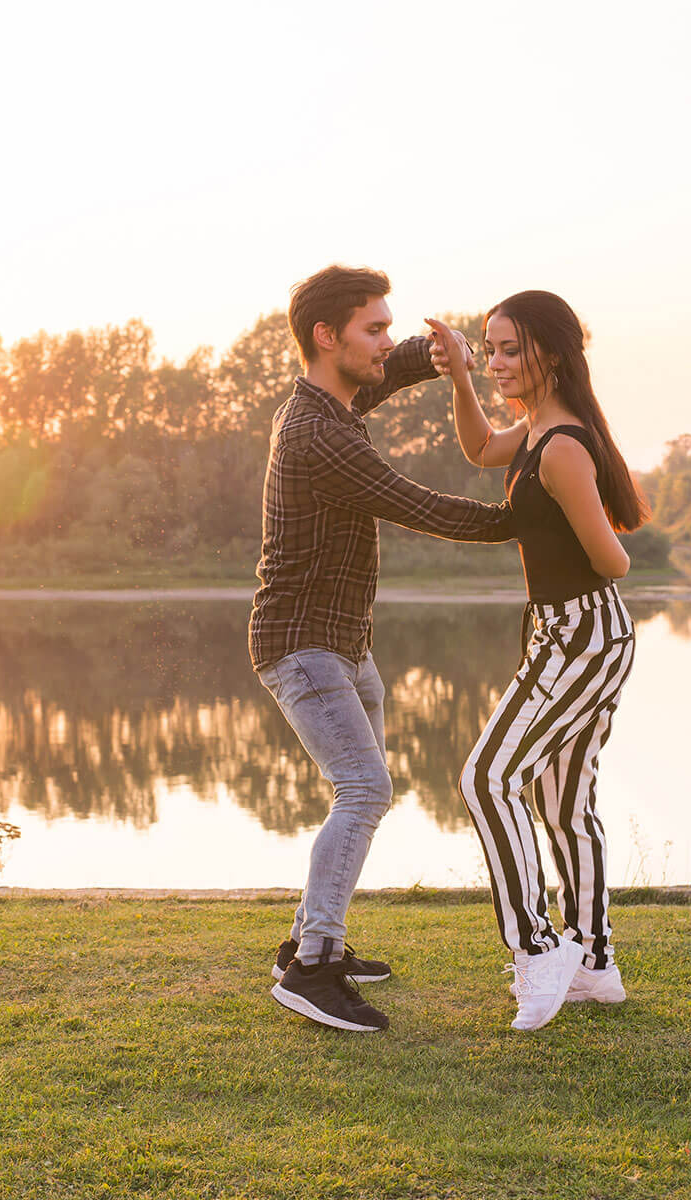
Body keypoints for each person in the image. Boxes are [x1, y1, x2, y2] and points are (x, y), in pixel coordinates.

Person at [250, 265, 518, 1033]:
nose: (386, 340)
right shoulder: (315, 435)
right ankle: (312, 967)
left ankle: (308, 942)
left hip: (342, 645)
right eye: (374, 328)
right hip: (302, 647)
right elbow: (419, 505)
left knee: (367, 790)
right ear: (326, 337)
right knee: (364, 789)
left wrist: (432, 358)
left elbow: (381, 378)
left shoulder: (328, 405)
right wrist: (522, 516)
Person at [428, 290, 649, 1032]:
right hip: (578, 637)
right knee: (561, 805)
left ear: (550, 354)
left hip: (581, 637)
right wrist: (458, 377)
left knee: (487, 778)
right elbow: (476, 447)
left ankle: (539, 946)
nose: (495, 362)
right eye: (487, 349)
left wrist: (570, 524)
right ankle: (595, 966)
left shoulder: (560, 448)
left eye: (508, 349)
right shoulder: (534, 431)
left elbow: (612, 560)